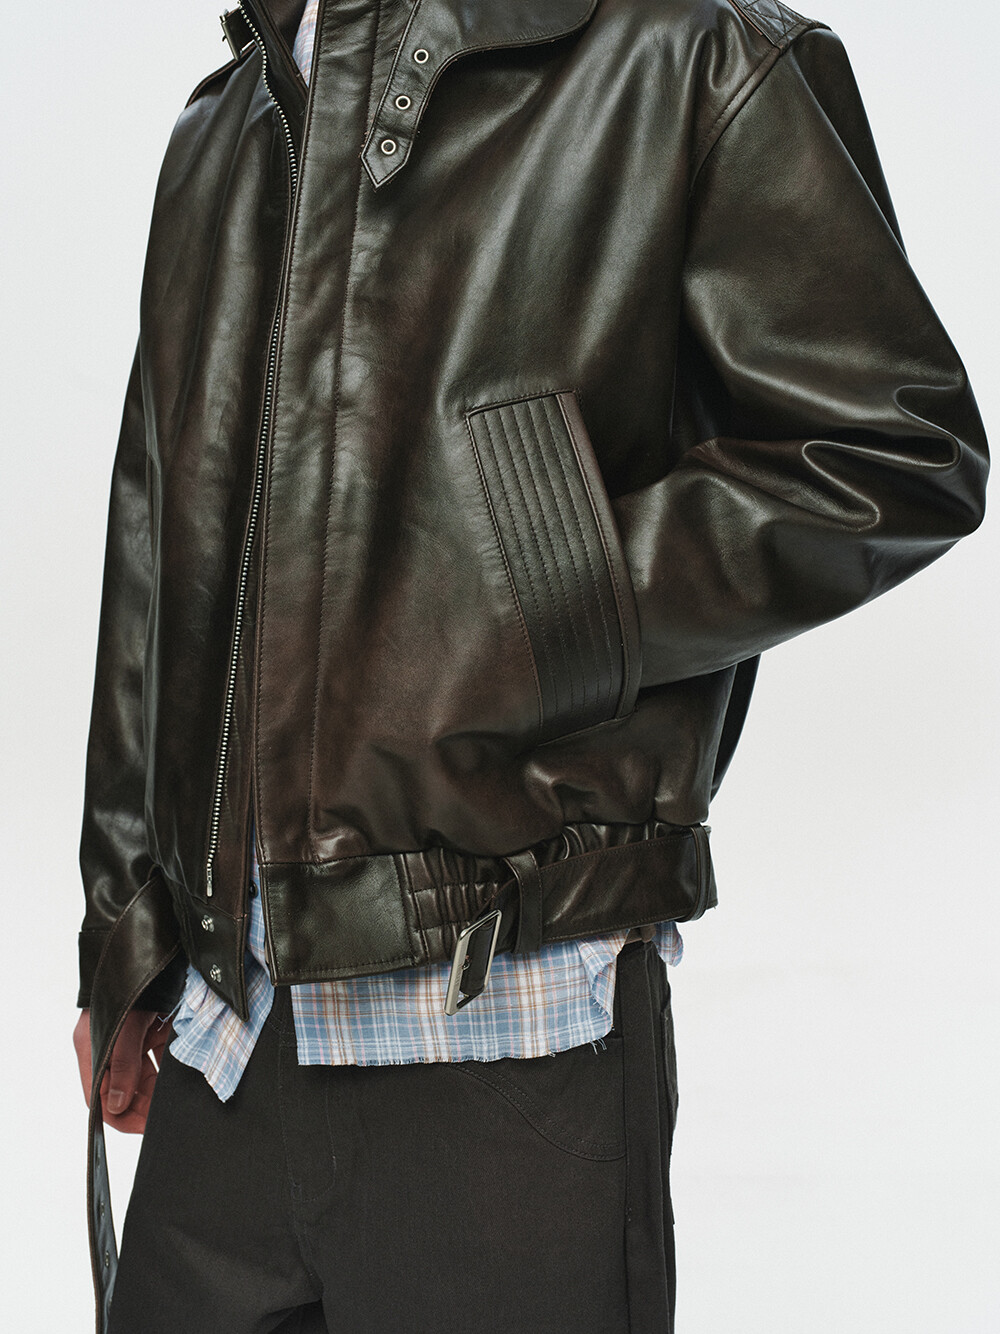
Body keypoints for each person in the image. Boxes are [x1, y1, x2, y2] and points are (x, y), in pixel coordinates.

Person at [72, 0, 989, 1331]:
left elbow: (894, 446)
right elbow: (157, 541)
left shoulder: (687, 57)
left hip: (510, 1021)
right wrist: (122, 928)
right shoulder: (227, 123)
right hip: (228, 1037)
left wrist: (542, 593)